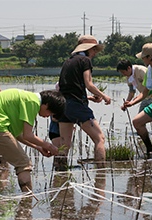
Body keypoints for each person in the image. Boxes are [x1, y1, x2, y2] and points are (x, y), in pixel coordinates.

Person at [0, 89, 66, 192]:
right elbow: (28, 135)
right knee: (24, 164)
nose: (47, 117)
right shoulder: (33, 102)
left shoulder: (25, 98)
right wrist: (49, 146)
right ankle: (28, 199)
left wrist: (38, 147)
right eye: (50, 113)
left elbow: (19, 135)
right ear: (46, 104)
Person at [57, 35, 111, 170]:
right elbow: (89, 84)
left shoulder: (68, 61)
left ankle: (59, 174)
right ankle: (101, 173)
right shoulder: (85, 60)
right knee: (100, 139)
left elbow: (69, 88)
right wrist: (103, 96)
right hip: (76, 105)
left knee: (64, 144)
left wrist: (89, 97)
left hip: (62, 105)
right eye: (94, 50)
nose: (95, 53)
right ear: (88, 49)